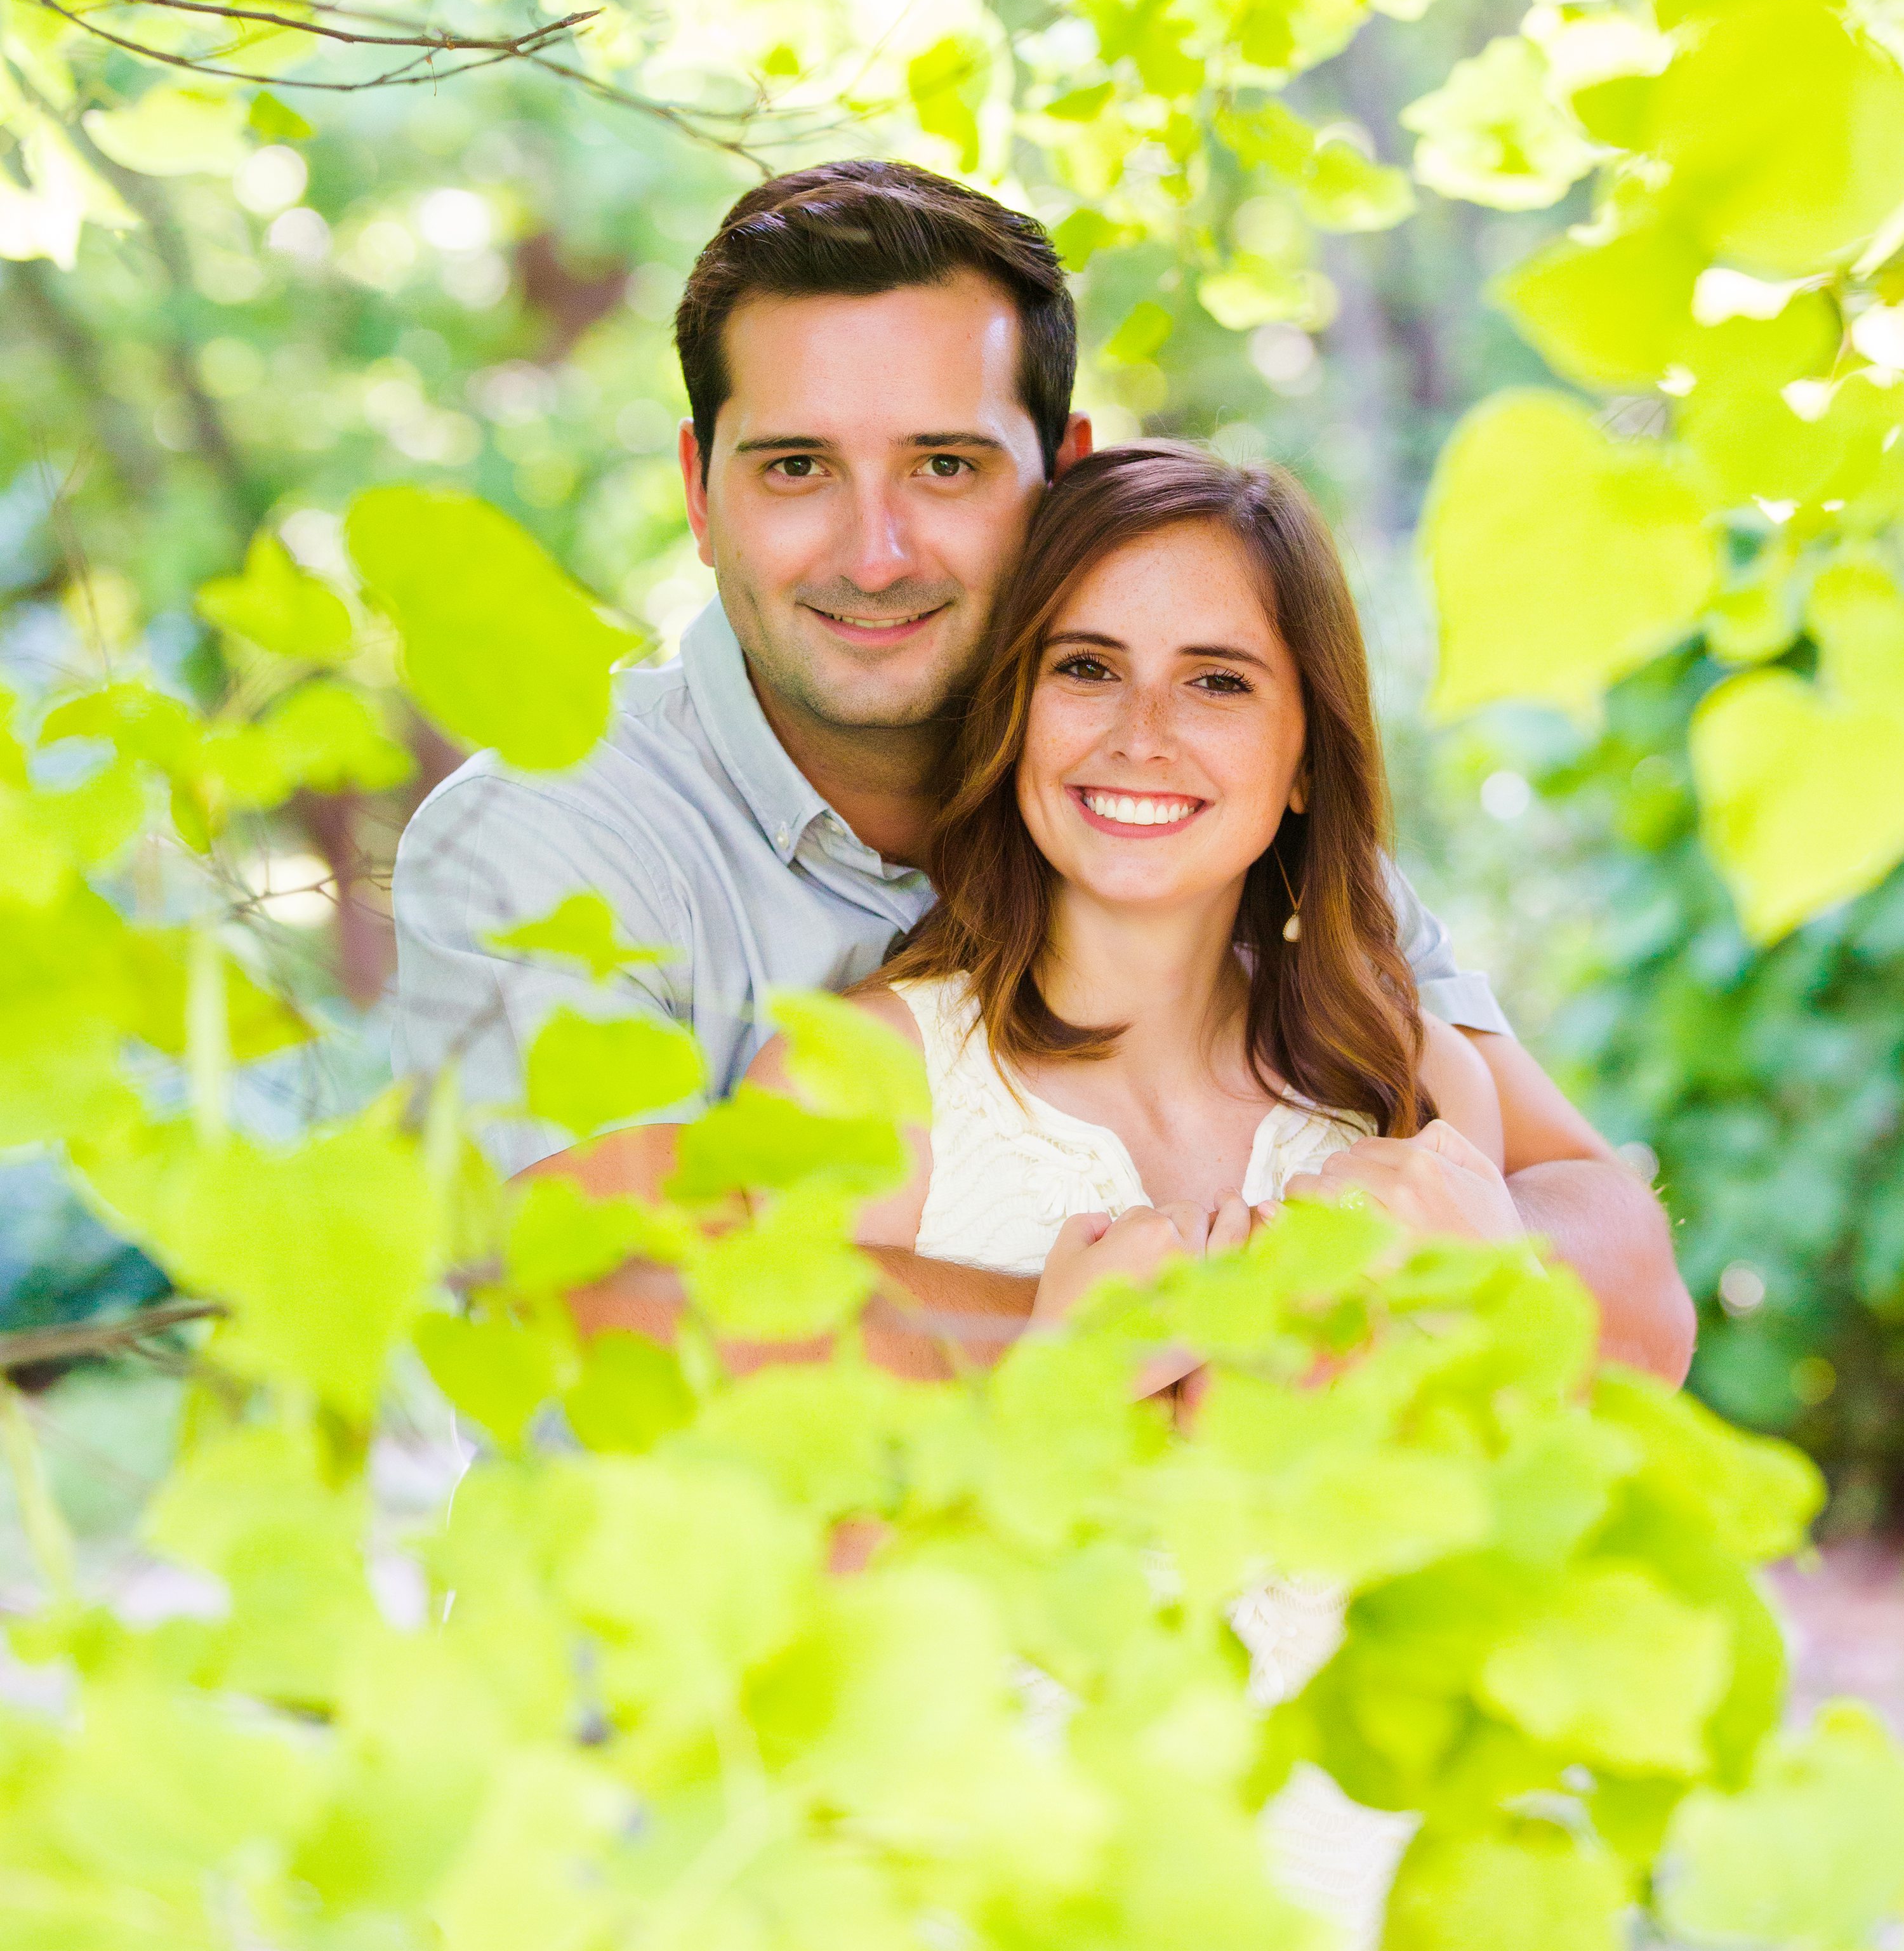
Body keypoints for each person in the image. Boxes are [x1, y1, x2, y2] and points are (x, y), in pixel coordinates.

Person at [391, 159, 1693, 1380]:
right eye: (797, 468)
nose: (877, 551)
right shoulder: (543, 842)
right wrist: (1208, 1327)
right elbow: (614, 1304)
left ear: (1062, 474)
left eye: (945, 465)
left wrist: (1491, 1267)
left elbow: (1620, 1267)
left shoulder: (1217, 823)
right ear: (699, 489)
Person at [750, 442, 1524, 1317]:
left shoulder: (1420, 1083)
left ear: (1308, 760)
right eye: (1087, 668)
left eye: (1218, 682)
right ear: (1016, 713)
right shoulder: (843, 1089)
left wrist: (1506, 1293)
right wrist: (1057, 1367)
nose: (1142, 736)